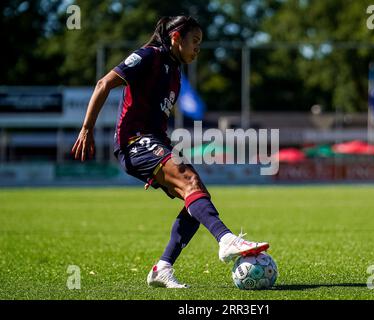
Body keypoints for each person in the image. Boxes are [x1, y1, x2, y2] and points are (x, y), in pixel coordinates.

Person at [72, 16, 269, 289]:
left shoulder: (175, 72)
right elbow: (103, 84)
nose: (198, 48)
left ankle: (162, 268)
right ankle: (226, 240)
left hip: (154, 142)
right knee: (191, 183)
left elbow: (158, 123)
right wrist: (86, 128)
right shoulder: (148, 56)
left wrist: (164, 159)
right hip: (134, 141)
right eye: (195, 41)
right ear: (176, 37)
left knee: (196, 199)